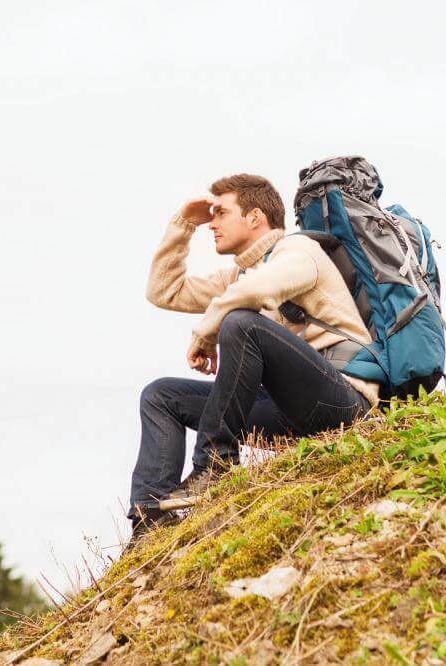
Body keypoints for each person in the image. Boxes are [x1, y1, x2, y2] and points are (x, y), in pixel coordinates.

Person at [126, 173, 380, 547]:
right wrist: (182, 223)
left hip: (340, 402)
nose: (212, 223)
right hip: (286, 413)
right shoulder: (239, 275)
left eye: (221, 213)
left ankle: (214, 466)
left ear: (255, 217)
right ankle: (149, 523)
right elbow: (165, 291)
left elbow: (257, 291)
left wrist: (205, 333)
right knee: (161, 396)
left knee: (241, 323)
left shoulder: (299, 252)